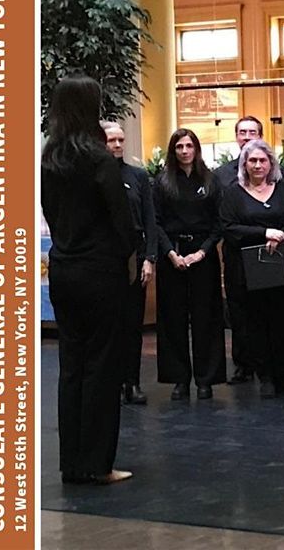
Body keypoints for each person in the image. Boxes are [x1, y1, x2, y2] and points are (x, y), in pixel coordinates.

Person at [41, 75, 136, 484]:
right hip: (100, 271)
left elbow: (49, 209)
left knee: (72, 366)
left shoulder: (50, 156)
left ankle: (72, 462)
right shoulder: (98, 159)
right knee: (102, 366)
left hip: (64, 267)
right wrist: (127, 252)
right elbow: (121, 219)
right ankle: (98, 464)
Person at [219, 140, 284, 398]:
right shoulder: (233, 194)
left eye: (262, 160)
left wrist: (280, 235)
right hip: (247, 272)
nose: (257, 165)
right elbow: (229, 227)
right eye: (252, 161)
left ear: (271, 164)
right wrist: (263, 232)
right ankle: (265, 376)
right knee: (255, 324)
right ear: (244, 164)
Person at [153, 128, 227, 400]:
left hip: (203, 255)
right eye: (179, 147)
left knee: (206, 317)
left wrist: (202, 252)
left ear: (196, 149)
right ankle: (179, 379)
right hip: (171, 254)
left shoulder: (210, 181)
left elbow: (219, 223)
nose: (184, 151)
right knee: (172, 318)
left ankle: (206, 379)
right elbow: (156, 222)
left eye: (189, 146)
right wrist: (171, 253)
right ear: (173, 151)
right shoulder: (162, 182)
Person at [101, 121, 157, 406]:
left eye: (121, 140)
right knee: (108, 324)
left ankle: (132, 382)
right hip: (104, 255)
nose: (118, 145)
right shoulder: (94, 175)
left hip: (134, 254)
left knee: (132, 324)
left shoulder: (138, 176)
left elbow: (150, 220)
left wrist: (149, 258)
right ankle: (111, 383)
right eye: (112, 140)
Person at [217, 116, 263, 384]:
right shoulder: (222, 174)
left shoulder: (272, 168)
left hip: (265, 250)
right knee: (238, 308)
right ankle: (243, 364)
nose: (247, 136)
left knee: (265, 309)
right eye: (242, 132)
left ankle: (266, 363)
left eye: (252, 132)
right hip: (235, 250)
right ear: (236, 137)